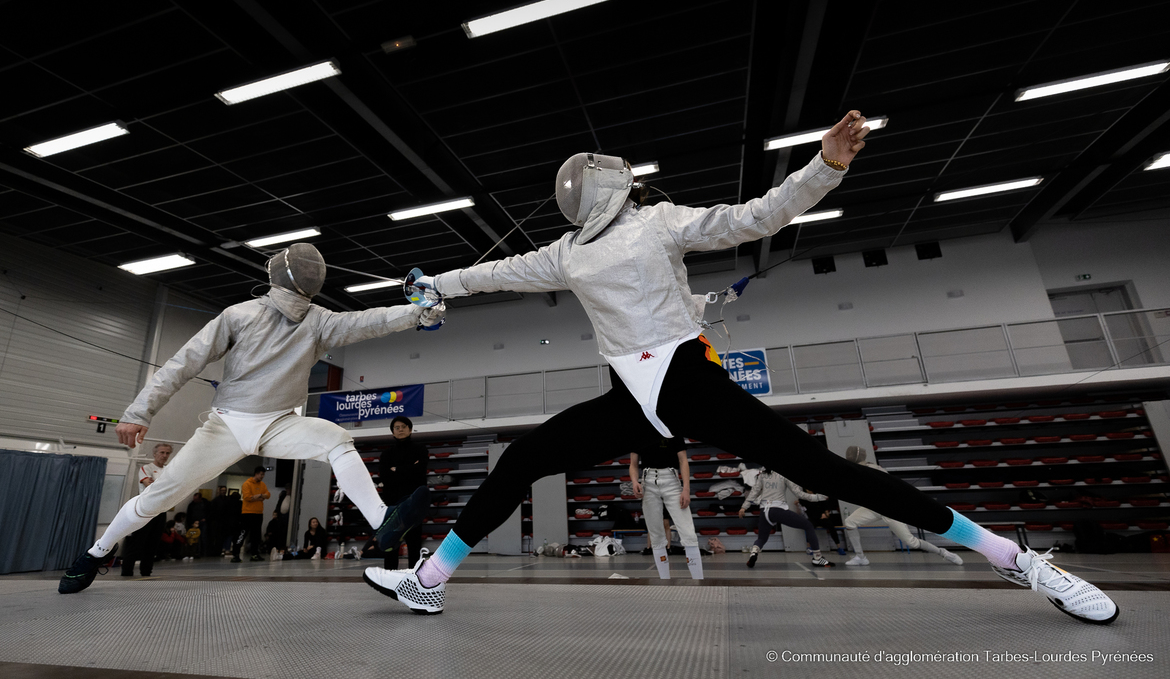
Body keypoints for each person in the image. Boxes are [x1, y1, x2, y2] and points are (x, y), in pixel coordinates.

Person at [363, 112, 1118, 625]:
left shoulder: (660, 223)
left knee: (830, 473)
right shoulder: (565, 253)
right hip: (630, 399)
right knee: (525, 456)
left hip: (692, 383)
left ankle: (1016, 561)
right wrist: (439, 284)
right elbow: (496, 273)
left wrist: (822, 169)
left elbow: (752, 217)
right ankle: (429, 582)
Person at [59, 243, 442, 594]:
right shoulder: (271, 318)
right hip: (227, 428)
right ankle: (98, 552)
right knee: (160, 496)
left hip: (275, 423)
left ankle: (382, 521)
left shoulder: (259, 314)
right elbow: (372, 321)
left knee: (335, 439)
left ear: (276, 275)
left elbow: (181, 364)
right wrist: (419, 313)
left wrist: (139, 412)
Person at [840, 446, 962, 567]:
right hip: (874, 507)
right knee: (850, 522)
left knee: (911, 543)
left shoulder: (874, 469)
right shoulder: (857, 470)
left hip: (891, 509)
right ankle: (860, 557)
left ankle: (944, 553)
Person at [630, 436, 702, 579]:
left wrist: (686, 489)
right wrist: (634, 482)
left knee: (688, 533)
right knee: (656, 534)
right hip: (648, 481)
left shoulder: (672, 430)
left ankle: (699, 580)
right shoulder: (638, 432)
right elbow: (633, 464)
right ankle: (664, 581)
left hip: (671, 480)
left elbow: (683, 460)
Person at [738, 467, 833, 568]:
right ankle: (817, 558)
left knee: (762, 538)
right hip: (777, 510)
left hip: (764, 511)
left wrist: (743, 508)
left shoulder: (763, 474)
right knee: (808, 525)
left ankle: (754, 552)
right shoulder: (784, 475)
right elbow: (800, 494)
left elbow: (754, 492)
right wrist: (820, 497)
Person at [378, 417, 429, 569]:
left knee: (414, 544)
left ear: (410, 429)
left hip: (414, 505)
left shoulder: (420, 449)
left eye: (403, 426)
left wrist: (397, 469)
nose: (400, 429)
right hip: (392, 506)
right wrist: (410, 469)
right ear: (392, 432)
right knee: (391, 544)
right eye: (396, 427)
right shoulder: (386, 454)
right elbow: (386, 478)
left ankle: (414, 578)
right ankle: (389, 576)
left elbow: (420, 473)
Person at [119, 443, 173, 578]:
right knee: (137, 542)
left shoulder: (169, 470)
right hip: (145, 509)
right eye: (162, 452)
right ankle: (127, 572)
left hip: (160, 511)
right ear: (155, 454)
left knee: (153, 543)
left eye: (167, 453)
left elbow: (172, 487)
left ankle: (146, 572)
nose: (164, 456)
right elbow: (149, 485)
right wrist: (163, 486)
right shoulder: (146, 468)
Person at [237, 467, 270, 562]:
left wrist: (257, 496)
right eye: (261, 474)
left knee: (256, 535)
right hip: (247, 513)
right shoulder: (247, 484)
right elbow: (247, 497)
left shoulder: (262, 484)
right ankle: (236, 553)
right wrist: (260, 496)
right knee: (243, 533)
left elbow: (267, 495)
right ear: (256, 474)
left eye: (263, 474)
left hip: (258, 513)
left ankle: (254, 554)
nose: (262, 476)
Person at [186, 492, 210, 557]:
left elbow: (209, 512)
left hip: (202, 522)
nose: (194, 500)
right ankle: (195, 552)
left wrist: (206, 519)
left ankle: (203, 552)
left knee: (203, 537)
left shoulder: (205, 503)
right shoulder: (191, 505)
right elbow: (189, 515)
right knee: (194, 538)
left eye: (196, 499)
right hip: (194, 523)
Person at [209, 485, 230, 556]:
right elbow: (212, 512)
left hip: (224, 522)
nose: (223, 491)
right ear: (220, 491)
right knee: (217, 537)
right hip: (217, 522)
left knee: (221, 538)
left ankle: (219, 550)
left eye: (224, 490)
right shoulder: (216, 500)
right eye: (222, 490)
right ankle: (215, 551)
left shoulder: (227, 500)